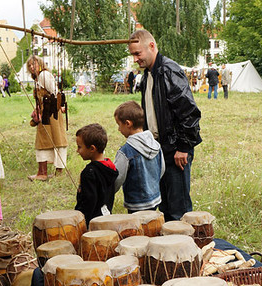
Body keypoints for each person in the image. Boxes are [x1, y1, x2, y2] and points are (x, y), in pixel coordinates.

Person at [128, 29, 202, 221]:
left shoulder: (169, 70)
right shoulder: (147, 75)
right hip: (159, 148)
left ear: (152, 46)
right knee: (166, 205)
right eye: (133, 54)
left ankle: (184, 248)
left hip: (176, 150)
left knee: (179, 209)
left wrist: (184, 147)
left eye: (138, 53)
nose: (135, 59)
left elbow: (189, 112)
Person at [113, 101, 165, 213]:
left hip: (136, 204)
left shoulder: (125, 151)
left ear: (128, 123)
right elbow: (162, 169)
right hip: (154, 199)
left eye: (119, 125)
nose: (118, 129)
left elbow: (117, 178)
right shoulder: (156, 145)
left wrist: (108, 191)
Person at [26, 55, 68, 181]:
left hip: (51, 112)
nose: (32, 67)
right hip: (45, 112)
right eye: (29, 65)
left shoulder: (44, 75)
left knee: (57, 139)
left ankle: (55, 172)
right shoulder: (38, 77)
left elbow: (54, 92)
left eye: (34, 64)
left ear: (40, 64)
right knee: (44, 140)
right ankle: (43, 172)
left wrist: (59, 106)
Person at [74, 124, 118, 225]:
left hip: (92, 222)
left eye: (79, 147)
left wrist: (81, 220)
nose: (77, 151)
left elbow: (89, 201)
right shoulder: (110, 167)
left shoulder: (89, 173)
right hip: (106, 218)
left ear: (92, 149)